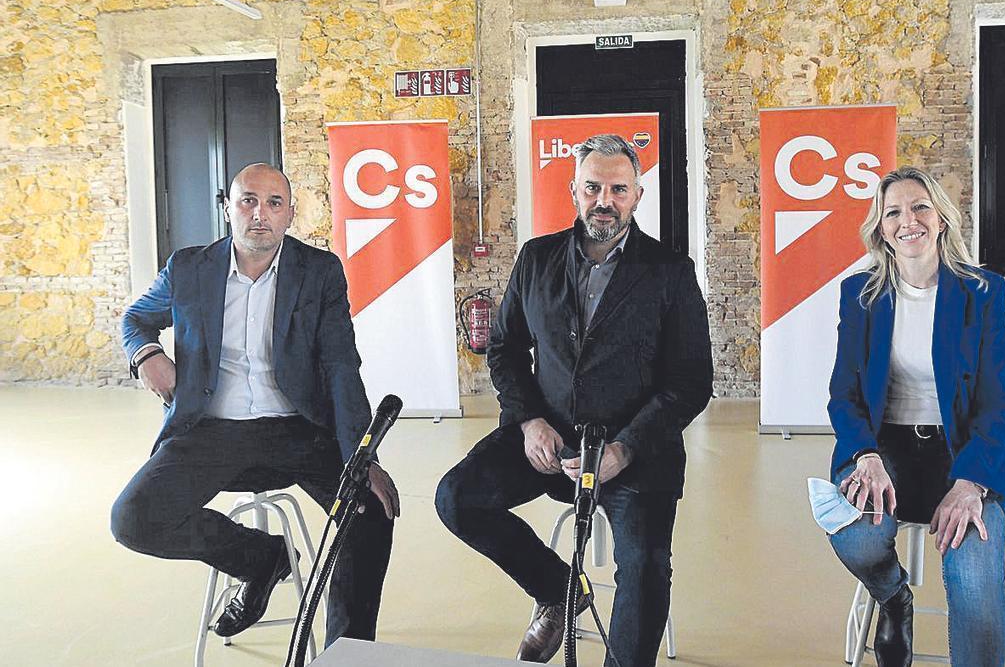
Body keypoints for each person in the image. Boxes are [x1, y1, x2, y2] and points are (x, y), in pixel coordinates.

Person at [435, 134, 713, 666]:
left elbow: (691, 381)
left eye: (617, 188)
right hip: (550, 436)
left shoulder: (670, 272)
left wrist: (626, 449)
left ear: (636, 195)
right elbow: (505, 347)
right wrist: (528, 420)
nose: (604, 200)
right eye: (592, 187)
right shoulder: (536, 258)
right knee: (456, 498)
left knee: (646, 564)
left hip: (635, 452)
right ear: (573, 191)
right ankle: (558, 591)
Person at [110, 163, 399, 646]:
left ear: (289, 215)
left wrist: (361, 456)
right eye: (248, 200)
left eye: (273, 203)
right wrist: (147, 355)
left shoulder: (319, 272)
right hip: (211, 429)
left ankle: (346, 651)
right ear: (228, 207)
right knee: (133, 519)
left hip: (297, 429)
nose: (259, 214)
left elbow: (341, 367)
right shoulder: (188, 268)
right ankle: (260, 559)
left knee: (368, 511)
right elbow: (135, 319)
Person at [826, 166, 1005, 666]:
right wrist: (864, 455)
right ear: (881, 226)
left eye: (919, 207)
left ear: (940, 219)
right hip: (882, 450)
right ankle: (894, 597)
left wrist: (971, 482)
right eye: (893, 212)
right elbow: (844, 395)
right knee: (855, 537)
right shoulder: (860, 294)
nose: (906, 220)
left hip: (963, 456)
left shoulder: (982, 291)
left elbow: (998, 404)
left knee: (974, 583)